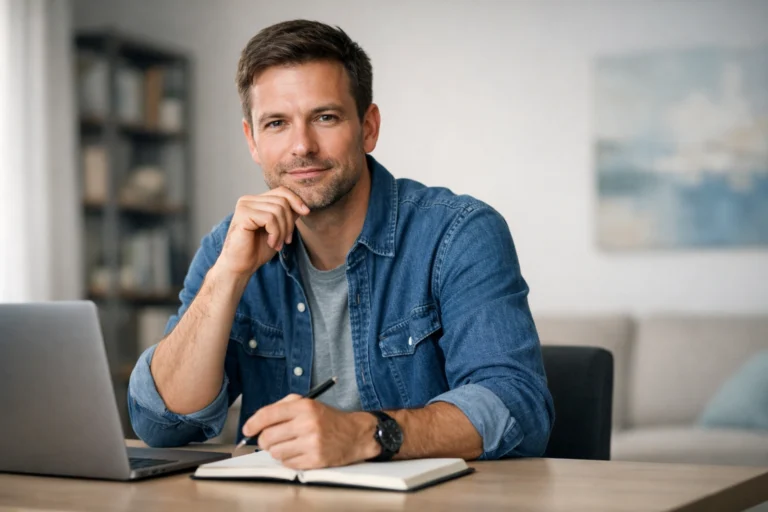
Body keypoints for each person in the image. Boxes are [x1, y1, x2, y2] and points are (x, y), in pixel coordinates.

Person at [128, 19, 554, 470]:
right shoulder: (228, 246)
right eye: (276, 123)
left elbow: (517, 407)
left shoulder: (459, 234)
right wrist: (227, 276)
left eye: (325, 117)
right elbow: (160, 424)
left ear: (368, 127)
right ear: (252, 140)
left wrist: (366, 433)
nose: (301, 146)